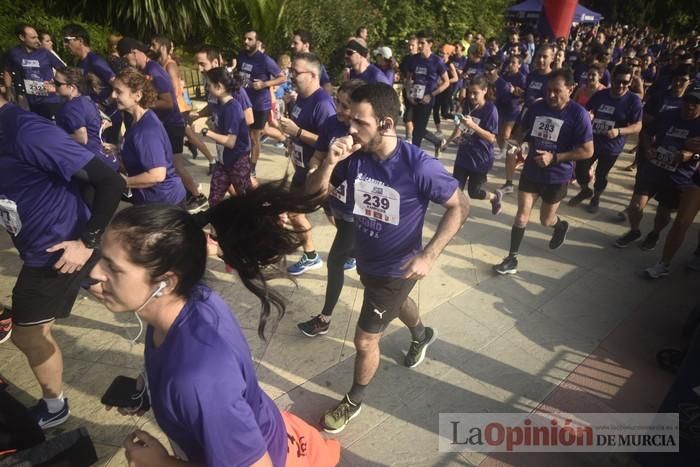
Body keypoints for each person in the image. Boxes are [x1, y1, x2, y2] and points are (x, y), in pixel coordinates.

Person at [88, 189, 340, 466]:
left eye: (113, 268)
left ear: (165, 282)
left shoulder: (198, 379)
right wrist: (148, 389)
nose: (94, 273)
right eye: (102, 258)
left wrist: (161, 463)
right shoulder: (193, 298)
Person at [306, 83, 469, 433]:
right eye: (350, 120)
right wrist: (329, 165)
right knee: (399, 302)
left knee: (365, 340)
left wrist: (429, 254)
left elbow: (460, 206)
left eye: (360, 122)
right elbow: (310, 196)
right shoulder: (356, 156)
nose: (351, 129)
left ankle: (354, 400)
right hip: (367, 262)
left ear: (386, 124)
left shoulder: (418, 165)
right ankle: (422, 334)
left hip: (398, 267)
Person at [0, 79, 124, 429]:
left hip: (57, 250)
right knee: (107, 287)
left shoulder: (26, 132)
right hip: (44, 245)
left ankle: (55, 408)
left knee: (28, 334)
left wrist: (85, 242)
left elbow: (110, 182)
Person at [493, 69, 594, 275]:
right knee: (521, 216)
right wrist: (516, 143)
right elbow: (523, 132)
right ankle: (511, 259)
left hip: (557, 176)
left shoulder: (578, 115)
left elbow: (587, 151)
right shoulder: (537, 107)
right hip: (531, 171)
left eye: (557, 91)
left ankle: (559, 226)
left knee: (545, 220)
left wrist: (555, 157)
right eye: (548, 90)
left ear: (571, 89)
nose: (551, 95)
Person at [297, 79, 365, 337]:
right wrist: (318, 171)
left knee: (335, 260)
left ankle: (324, 319)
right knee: (360, 259)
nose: (338, 108)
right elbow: (317, 154)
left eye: (346, 105)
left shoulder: (368, 135)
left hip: (358, 211)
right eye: (337, 101)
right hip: (334, 202)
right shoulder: (331, 124)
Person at [117, 37, 206, 212]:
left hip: (172, 123)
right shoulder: (145, 71)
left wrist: (144, 103)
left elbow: (169, 102)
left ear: (134, 53)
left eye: (125, 57)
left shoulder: (155, 71)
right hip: (161, 124)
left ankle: (197, 196)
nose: (113, 96)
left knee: (175, 166)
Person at [277, 53, 336, 276]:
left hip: (319, 172)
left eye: (296, 72)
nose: (291, 75)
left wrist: (298, 132)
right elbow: (298, 130)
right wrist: (291, 140)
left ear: (312, 75)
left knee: (336, 217)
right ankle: (311, 255)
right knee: (294, 211)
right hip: (302, 169)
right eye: (290, 71)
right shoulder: (300, 98)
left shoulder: (323, 104)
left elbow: (329, 143)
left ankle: (356, 249)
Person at [641, 89, 700, 278]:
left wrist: (693, 154)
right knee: (681, 222)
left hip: (684, 171)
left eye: (696, 102)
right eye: (688, 101)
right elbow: (647, 132)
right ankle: (663, 264)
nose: (691, 105)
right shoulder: (669, 115)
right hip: (692, 179)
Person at [568, 64, 643, 213]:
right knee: (580, 169)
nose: (621, 85)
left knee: (601, 174)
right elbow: (587, 110)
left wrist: (619, 131)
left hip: (612, 145)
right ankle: (585, 190)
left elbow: (637, 126)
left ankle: (595, 198)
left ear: (630, 83)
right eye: (617, 81)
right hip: (593, 141)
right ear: (612, 79)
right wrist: (587, 116)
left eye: (625, 83)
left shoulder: (633, 100)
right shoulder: (600, 95)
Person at [112, 68, 186, 206]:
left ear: (138, 95)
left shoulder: (147, 130)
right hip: (152, 201)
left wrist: (123, 182)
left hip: (164, 204)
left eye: (119, 92)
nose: (113, 95)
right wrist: (117, 151)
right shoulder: (137, 121)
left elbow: (157, 175)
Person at [150, 35, 216, 174]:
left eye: (153, 45)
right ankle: (203, 154)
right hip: (172, 110)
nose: (151, 48)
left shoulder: (170, 65)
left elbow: (174, 90)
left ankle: (211, 160)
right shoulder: (158, 64)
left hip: (178, 109)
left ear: (162, 47)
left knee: (190, 136)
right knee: (189, 136)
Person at [442, 74, 502, 214]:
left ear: (485, 90)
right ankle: (456, 218)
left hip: (480, 159)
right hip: (463, 156)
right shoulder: (467, 105)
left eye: (476, 93)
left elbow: (492, 138)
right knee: (455, 192)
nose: (472, 97)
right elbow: (460, 125)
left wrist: (474, 126)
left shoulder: (491, 110)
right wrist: (449, 141)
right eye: (470, 93)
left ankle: (494, 197)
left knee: (474, 192)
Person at [501, 44, 555, 195]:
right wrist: (520, 93)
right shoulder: (531, 75)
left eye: (545, 56)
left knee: (538, 156)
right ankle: (509, 183)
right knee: (510, 148)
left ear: (552, 58)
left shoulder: (554, 78)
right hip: (525, 117)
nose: (541, 59)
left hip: (544, 122)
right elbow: (527, 95)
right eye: (539, 56)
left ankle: (541, 188)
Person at [61, 24, 122, 146]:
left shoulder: (95, 61)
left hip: (108, 117)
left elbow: (118, 85)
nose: (64, 45)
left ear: (80, 40)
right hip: (94, 117)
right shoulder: (80, 62)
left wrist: (104, 103)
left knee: (108, 153)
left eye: (67, 41)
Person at [237, 30, 287, 179]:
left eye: (250, 39)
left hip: (259, 104)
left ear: (257, 43)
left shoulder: (265, 60)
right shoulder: (241, 55)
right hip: (244, 102)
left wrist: (265, 83)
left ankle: (252, 167)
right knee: (243, 135)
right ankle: (243, 163)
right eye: (245, 38)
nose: (246, 41)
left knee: (254, 137)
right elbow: (241, 75)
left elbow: (282, 78)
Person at [201, 67, 251, 206]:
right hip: (223, 162)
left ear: (219, 86)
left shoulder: (233, 107)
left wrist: (207, 132)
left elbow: (230, 142)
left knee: (248, 201)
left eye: (208, 85)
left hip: (237, 162)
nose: (206, 89)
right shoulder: (220, 105)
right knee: (214, 201)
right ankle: (217, 226)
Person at [54, 67, 119, 171]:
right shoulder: (86, 100)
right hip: (105, 157)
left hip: (92, 162)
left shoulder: (72, 107)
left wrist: (57, 135)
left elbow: (82, 138)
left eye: (57, 83)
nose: (54, 85)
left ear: (72, 87)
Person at [3, 23, 65, 119]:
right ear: (22, 38)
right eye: (33, 38)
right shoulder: (13, 53)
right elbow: (8, 70)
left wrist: (55, 84)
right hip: (28, 100)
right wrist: (8, 89)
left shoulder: (45, 53)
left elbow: (63, 70)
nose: (37, 41)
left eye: (37, 37)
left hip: (50, 100)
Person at [404, 30, 450, 156]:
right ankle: (437, 142)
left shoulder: (436, 61)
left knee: (417, 133)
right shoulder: (413, 59)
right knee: (414, 125)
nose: (419, 46)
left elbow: (446, 82)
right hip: (414, 97)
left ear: (430, 44)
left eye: (422, 43)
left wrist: (431, 95)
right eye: (418, 43)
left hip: (427, 99)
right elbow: (408, 79)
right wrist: (408, 93)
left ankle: (413, 158)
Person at [399, 36, 419, 140]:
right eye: (409, 45)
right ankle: (436, 141)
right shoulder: (406, 58)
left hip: (417, 91)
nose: (410, 47)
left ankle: (409, 138)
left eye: (413, 45)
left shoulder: (420, 59)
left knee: (408, 117)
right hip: (406, 89)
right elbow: (402, 74)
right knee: (412, 119)